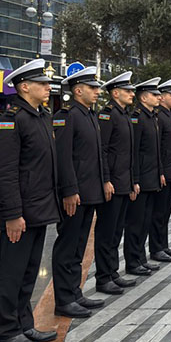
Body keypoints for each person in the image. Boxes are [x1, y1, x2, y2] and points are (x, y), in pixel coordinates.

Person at [0, 59, 59, 342]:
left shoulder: (41, 116)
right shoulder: (11, 120)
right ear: (24, 86)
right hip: (21, 212)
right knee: (12, 271)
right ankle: (7, 330)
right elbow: (4, 173)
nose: (48, 87)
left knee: (29, 271)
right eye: (42, 83)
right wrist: (12, 214)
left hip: (39, 208)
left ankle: (24, 323)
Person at [51, 66, 107, 319]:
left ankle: (74, 292)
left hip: (89, 192)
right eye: (92, 88)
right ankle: (63, 299)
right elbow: (63, 158)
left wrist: (103, 182)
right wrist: (69, 190)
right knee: (68, 245)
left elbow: (96, 155)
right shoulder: (68, 115)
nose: (97, 91)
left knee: (79, 246)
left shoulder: (89, 115)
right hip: (74, 195)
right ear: (78, 90)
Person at [95, 71, 138, 294]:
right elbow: (102, 150)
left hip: (123, 182)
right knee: (106, 232)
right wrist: (106, 179)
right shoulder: (107, 115)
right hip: (112, 183)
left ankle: (112, 272)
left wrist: (132, 182)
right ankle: (103, 277)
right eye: (128, 90)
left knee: (116, 232)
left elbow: (127, 153)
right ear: (115, 93)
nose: (132, 94)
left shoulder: (124, 114)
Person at [124, 78, 164, 274]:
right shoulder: (137, 118)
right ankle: (132, 261)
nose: (159, 97)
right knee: (135, 223)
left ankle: (140, 258)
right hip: (141, 179)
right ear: (144, 97)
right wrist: (135, 180)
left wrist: (159, 174)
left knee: (145, 222)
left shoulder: (152, 116)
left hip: (151, 179)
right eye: (155, 95)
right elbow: (134, 151)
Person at [150, 79, 171, 262]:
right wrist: (160, 171)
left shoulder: (169, 115)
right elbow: (157, 148)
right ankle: (156, 248)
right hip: (163, 172)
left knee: (166, 211)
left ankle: (163, 244)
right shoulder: (159, 117)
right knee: (158, 212)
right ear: (162, 97)